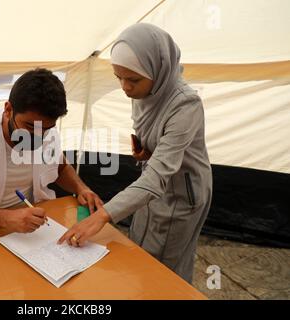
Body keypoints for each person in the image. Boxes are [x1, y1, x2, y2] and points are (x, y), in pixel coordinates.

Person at [58, 23, 212, 283]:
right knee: (141, 250)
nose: (125, 87)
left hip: (180, 195)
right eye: (119, 77)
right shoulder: (146, 90)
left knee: (164, 264)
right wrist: (147, 152)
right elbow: (157, 154)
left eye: (133, 80)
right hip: (151, 183)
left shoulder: (186, 104)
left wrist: (102, 216)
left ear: (158, 69)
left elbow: (157, 177)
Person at [0, 68, 102, 233]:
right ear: (8, 110)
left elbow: (60, 167)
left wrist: (81, 189)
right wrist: (7, 218)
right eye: (29, 126)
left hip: (27, 228)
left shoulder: (43, 128)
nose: (38, 137)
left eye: (47, 128)